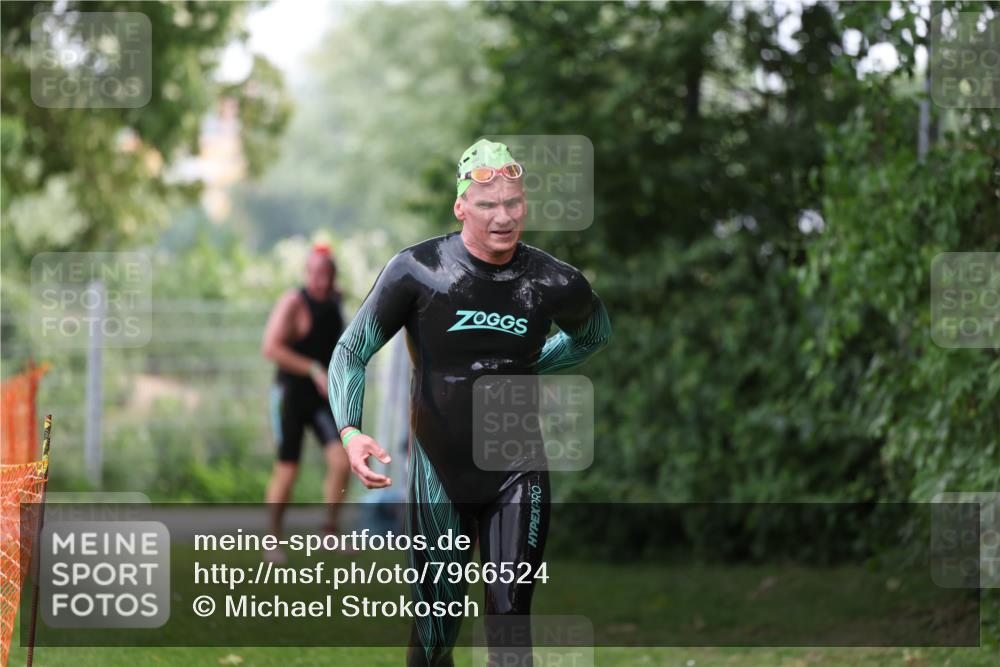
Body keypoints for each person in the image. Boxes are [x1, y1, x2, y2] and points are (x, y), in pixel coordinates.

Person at [328, 139, 611, 666]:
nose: (503, 217)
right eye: (488, 205)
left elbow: (594, 334)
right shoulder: (417, 270)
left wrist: (533, 364)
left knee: (508, 614)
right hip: (441, 471)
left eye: (513, 203)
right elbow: (351, 350)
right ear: (461, 207)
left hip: (517, 469)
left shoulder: (552, 281)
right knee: (436, 626)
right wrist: (350, 429)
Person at [261, 243, 350, 561]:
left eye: (327, 274)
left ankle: (329, 531)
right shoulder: (293, 303)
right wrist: (313, 369)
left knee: (342, 461)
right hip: (291, 397)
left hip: (323, 398)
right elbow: (271, 348)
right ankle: (272, 539)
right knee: (288, 470)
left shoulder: (337, 301)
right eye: (316, 274)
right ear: (307, 273)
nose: (322, 281)